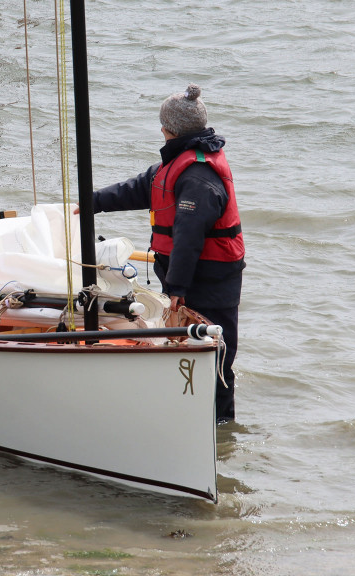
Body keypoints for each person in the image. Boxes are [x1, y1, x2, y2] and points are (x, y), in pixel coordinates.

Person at [91, 85, 245, 422]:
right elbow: (140, 188)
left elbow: (188, 239)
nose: (161, 131)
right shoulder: (179, 162)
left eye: (163, 126)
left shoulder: (198, 179)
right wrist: (92, 203)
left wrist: (176, 290)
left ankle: (219, 429)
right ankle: (189, 417)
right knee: (188, 349)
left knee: (216, 356)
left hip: (210, 283)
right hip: (191, 280)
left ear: (171, 130)